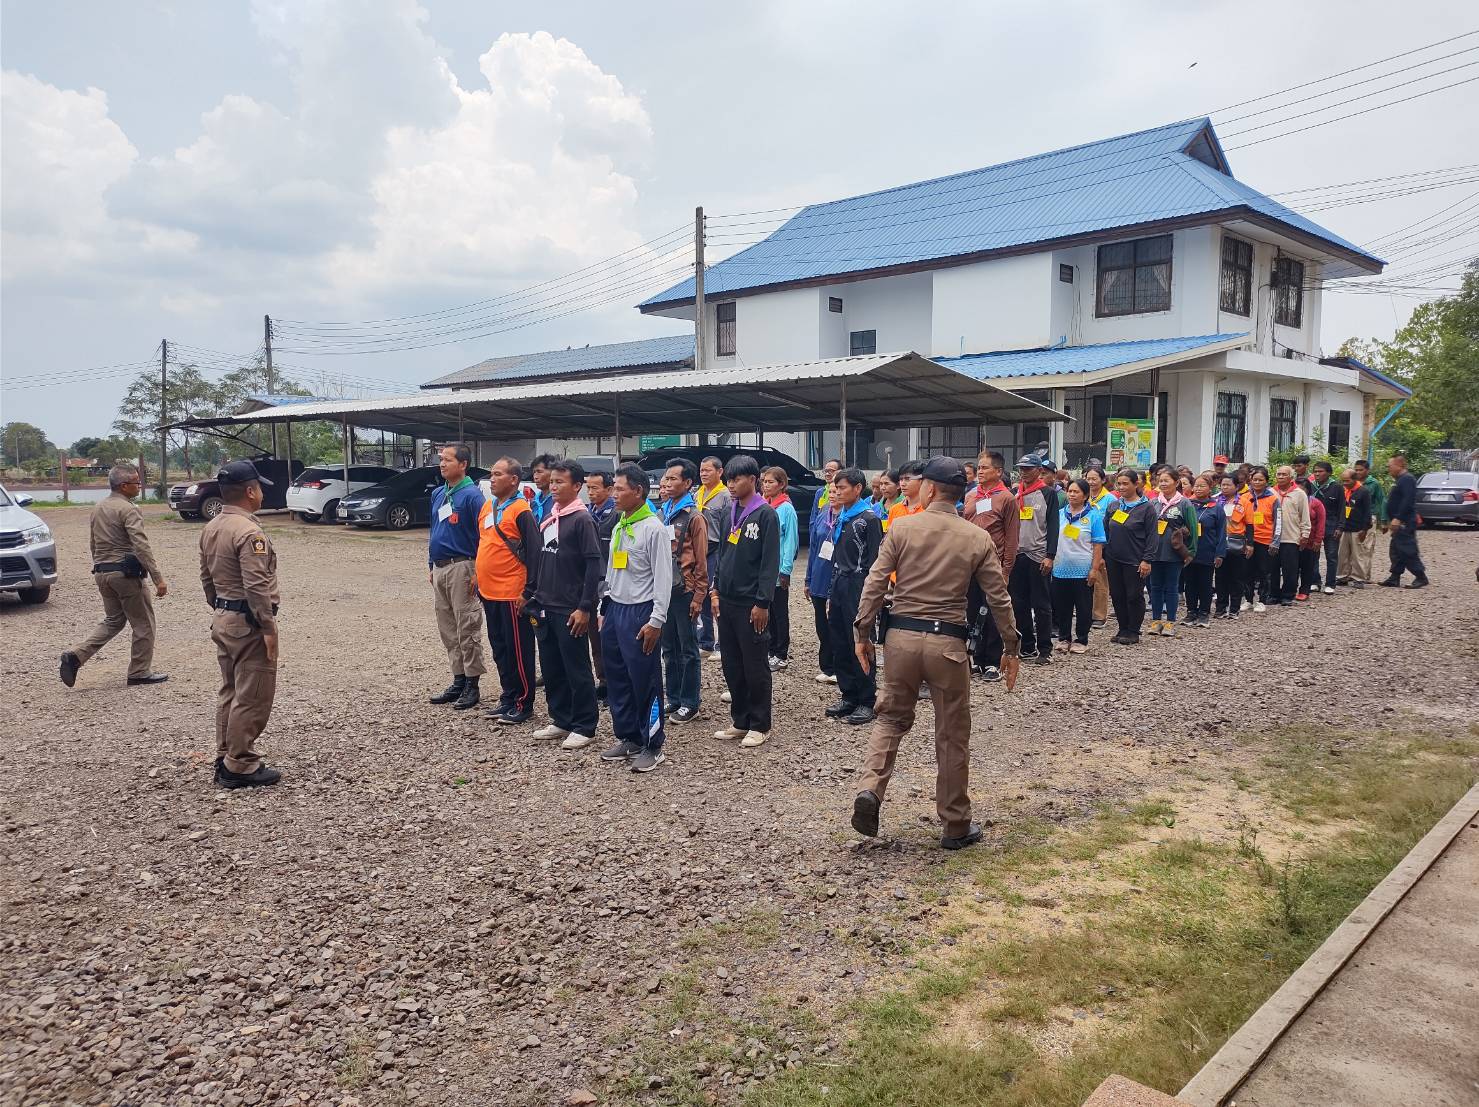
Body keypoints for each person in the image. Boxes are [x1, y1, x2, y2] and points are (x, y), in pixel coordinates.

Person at [849, 456, 1020, 850]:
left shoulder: (902, 527)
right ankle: (955, 825)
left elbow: (875, 582)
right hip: (949, 646)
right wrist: (1011, 646)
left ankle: (871, 789)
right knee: (952, 734)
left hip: (901, 640)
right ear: (960, 493)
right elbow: (998, 597)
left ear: (928, 489)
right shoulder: (976, 536)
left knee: (890, 719)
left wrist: (862, 632)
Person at [197, 461, 282, 789]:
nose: (262, 493)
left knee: (230, 689)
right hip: (249, 623)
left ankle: (225, 755)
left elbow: (207, 579)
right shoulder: (249, 532)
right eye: (259, 488)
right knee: (253, 694)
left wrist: (222, 609)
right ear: (249, 491)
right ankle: (240, 764)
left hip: (224, 617)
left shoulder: (212, 527)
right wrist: (268, 628)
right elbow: (256, 586)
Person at [60, 463, 169, 689]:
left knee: (114, 620)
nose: (140, 486)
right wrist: (157, 577)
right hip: (125, 575)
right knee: (144, 624)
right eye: (137, 482)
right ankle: (139, 672)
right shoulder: (129, 509)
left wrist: (100, 567)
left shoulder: (98, 508)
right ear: (124, 485)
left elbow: (93, 543)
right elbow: (141, 546)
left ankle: (76, 656)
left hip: (103, 572)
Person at [598, 464, 673, 772]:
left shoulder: (653, 528)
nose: (614, 494)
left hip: (641, 612)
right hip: (616, 609)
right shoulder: (621, 524)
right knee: (617, 677)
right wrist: (605, 608)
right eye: (613, 489)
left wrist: (656, 620)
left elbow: (663, 578)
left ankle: (653, 744)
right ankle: (629, 735)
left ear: (638, 491)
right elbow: (613, 570)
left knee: (645, 680)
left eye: (619, 489)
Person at [527, 459, 604, 749]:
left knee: (576, 667)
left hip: (570, 607)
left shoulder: (582, 519)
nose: (554, 487)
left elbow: (593, 565)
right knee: (552, 665)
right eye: (552, 482)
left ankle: (585, 725)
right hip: (546, 603)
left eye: (560, 482)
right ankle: (561, 718)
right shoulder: (551, 516)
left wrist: (585, 607)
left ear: (577, 486)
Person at [710, 455, 781, 748]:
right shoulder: (729, 512)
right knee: (732, 663)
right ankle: (740, 720)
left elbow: (769, 563)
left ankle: (760, 724)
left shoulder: (766, 515)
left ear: (752, 480)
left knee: (754, 665)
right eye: (728, 479)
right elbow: (723, 554)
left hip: (751, 603)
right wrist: (715, 590)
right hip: (726, 600)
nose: (731, 485)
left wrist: (762, 603)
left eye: (736, 479)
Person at [477, 457, 540, 725]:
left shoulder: (521, 510)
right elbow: (483, 542)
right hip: (489, 591)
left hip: (512, 593)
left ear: (513, 480)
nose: (492, 479)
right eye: (491, 474)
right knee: (500, 648)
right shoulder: (488, 506)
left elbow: (535, 553)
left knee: (518, 651)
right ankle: (508, 696)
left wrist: (528, 591)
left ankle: (523, 702)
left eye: (498, 474)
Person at [427, 444, 488, 710]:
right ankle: (458, 679)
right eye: (441, 459)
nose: (442, 464)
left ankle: (473, 684)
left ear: (463, 465)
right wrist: (431, 564)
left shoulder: (473, 496)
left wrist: (479, 570)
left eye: (448, 460)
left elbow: (485, 536)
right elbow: (434, 530)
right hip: (441, 568)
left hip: (463, 566)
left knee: (467, 626)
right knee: (448, 627)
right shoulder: (439, 493)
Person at [824, 468, 884, 725]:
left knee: (860, 639)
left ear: (858, 488)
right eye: (835, 488)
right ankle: (848, 694)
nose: (837, 492)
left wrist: (872, 596)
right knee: (839, 640)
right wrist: (830, 592)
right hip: (840, 582)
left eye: (843, 488)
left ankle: (867, 699)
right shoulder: (843, 516)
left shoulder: (868, 519)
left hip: (859, 584)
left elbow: (875, 561)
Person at [659, 459, 708, 723]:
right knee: (669, 647)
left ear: (688, 483)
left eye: (673, 479)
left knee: (688, 648)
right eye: (666, 478)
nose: (667, 483)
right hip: (665, 589)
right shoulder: (663, 511)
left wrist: (699, 596)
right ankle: (674, 697)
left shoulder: (694, 517)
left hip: (685, 590)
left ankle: (690, 702)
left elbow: (701, 560)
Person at [965, 450, 1018, 681]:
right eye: (979, 467)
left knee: (994, 612)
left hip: (993, 564)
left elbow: (1012, 537)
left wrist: (1006, 570)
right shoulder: (971, 496)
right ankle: (976, 658)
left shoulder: (1006, 498)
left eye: (985, 467)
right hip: (970, 563)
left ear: (998, 471)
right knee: (972, 610)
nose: (980, 471)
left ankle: (993, 661)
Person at [1007, 454, 1057, 664]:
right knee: (1018, 603)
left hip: (1038, 555)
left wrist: (1050, 555)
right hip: (1017, 554)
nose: (1024, 472)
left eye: (1028, 468)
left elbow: (1053, 525)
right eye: (1021, 468)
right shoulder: (1014, 494)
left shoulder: (1048, 493)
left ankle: (1045, 648)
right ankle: (1027, 645)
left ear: (1039, 470)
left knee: (1041, 604)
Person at [1050, 478, 1104, 653]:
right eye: (1070, 491)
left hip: (1082, 570)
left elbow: (1098, 545)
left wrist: (1094, 569)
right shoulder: (1059, 514)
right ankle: (1064, 637)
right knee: (1062, 607)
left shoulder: (1093, 516)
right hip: (1060, 569)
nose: (1072, 495)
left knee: (1083, 608)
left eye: (1076, 492)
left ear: (1085, 495)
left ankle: (1081, 639)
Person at [1103, 469, 1156, 645]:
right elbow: (1105, 530)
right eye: (1119, 483)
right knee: (1117, 594)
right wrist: (1103, 554)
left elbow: (1152, 536)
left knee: (1134, 595)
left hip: (1135, 558)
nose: (1121, 487)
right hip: (1113, 557)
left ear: (1136, 484)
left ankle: (1133, 630)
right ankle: (1122, 628)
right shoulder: (1114, 506)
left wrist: (1147, 559)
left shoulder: (1147, 508)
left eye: (1126, 483)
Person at [1148, 467, 1197, 636]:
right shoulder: (1154, 503)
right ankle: (1156, 621)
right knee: (1155, 587)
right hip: (1155, 551)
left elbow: (1193, 528)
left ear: (1176, 483)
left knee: (1171, 587)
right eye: (1160, 480)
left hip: (1174, 552)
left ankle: (1170, 622)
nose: (1163, 484)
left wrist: (1191, 552)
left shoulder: (1184, 503)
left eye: (1166, 480)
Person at [584, 470, 619, 702]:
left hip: (609, 582)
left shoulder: (615, 514)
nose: (590, 492)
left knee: (609, 635)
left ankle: (615, 682)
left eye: (595, 488)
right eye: (588, 488)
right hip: (591, 582)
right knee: (594, 637)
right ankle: (603, 680)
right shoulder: (587, 513)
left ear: (609, 489)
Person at [761, 466, 799, 672]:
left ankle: (781, 653)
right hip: (764, 569)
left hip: (778, 570)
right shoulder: (764, 505)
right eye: (764, 482)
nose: (766, 485)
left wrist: (786, 569)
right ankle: (770, 648)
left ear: (781, 484)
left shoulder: (786, 509)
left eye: (770, 482)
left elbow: (790, 541)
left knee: (779, 613)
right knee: (766, 611)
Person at [805, 470, 839, 687]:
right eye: (831, 492)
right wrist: (808, 579)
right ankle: (826, 666)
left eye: (837, 491)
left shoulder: (849, 517)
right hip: (819, 575)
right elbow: (813, 548)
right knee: (821, 624)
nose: (833, 495)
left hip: (836, 577)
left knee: (836, 623)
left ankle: (839, 666)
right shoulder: (822, 514)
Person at [695, 456, 730, 660]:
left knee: (716, 594)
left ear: (719, 472)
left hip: (717, 548)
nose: (703, 474)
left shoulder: (725, 495)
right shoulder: (698, 493)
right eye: (701, 470)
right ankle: (706, 642)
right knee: (702, 594)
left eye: (708, 470)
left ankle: (722, 645)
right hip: (700, 550)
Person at [1380, 453, 1428, 588]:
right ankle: (1394, 577)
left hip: (1404, 521)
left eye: (1390, 466)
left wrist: (1398, 518)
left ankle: (1421, 576)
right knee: (1396, 550)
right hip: (1399, 520)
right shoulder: (1401, 480)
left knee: (1407, 549)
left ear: (1400, 465)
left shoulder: (1407, 479)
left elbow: (1408, 500)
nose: (1388, 469)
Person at [1183, 474, 1226, 627]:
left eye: (1202, 486)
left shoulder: (1216, 508)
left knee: (1205, 583)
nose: (1198, 489)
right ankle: (1191, 612)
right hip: (1189, 551)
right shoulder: (1187, 504)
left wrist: (1220, 553)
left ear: (1210, 488)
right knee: (1190, 583)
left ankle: (1203, 613)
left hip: (1207, 550)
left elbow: (1222, 532)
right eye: (1196, 485)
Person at [1270, 465, 1311, 606]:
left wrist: (1305, 534)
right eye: (1278, 474)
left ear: (1291, 477)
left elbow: (1304, 516)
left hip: (1291, 537)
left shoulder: (1299, 494)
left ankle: (1288, 595)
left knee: (1290, 569)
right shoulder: (1270, 492)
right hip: (1272, 538)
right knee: (1272, 569)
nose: (1280, 477)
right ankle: (1273, 594)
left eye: (1284, 474)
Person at [1240, 467, 1279, 613]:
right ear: (1250, 481)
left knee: (1264, 571)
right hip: (1247, 540)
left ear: (1266, 481)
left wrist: (1275, 541)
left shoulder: (1273, 498)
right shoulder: (1244, 497)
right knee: (1246, 570)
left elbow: (1278, 521)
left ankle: (1262, 600)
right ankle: (1248, 599)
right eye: (1254, 479)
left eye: (1260, 480)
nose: (1257, 482)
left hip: (1265, 540)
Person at [1084, 465, 1116, 629]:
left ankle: (1099, 615)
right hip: (1083, 544)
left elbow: (1113, 526)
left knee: (1100, 581)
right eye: (1088, 479)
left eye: (1094, 479)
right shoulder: (1084, 496)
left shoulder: (1110, 499)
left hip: (1101, 544)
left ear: (1103, 480)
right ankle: (1085, 612)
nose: (1091, 482)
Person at [1213, 474, 1246, 619]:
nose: (1225, 487)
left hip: (1237, 543)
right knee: (1220, 577)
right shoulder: (1215, 501)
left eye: (1228, 485)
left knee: (1236, 577)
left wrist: (1250, 544)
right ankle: (1220, 608)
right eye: (1223, 485)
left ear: (1236, 486)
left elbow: (1250, 524)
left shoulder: (1244, 502)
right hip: (1219, 543)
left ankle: (1234, 608)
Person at [1310, 460, 1344, 594]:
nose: (1317, 474)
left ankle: (1330, 583)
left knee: (1331, 555)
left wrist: (1340, 527)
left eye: (1320, 471)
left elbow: (1342, 508)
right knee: (1313, 554)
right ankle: (1315, 581)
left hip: (1331, 524)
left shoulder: (1337, 487)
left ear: (1329, 473)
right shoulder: (1311, 486)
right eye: (1315, 471)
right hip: (1315, 525)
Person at [1337, 468, 1375, 587]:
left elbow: (1367, 511)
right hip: (1344, 527)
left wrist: (1365, 529)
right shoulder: (1343, 490)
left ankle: (1359, 578)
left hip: (1357, 528)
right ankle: (1342, 576)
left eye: (1347, 481)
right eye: (1343, 481)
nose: (1344, 483)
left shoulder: (1363, 491)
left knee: (1358, 555)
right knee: (1342, 554)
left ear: (1354, 479)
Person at [1353, 457, 1387, 574]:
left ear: (1367, 470)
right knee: (1354, 546)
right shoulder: (1351, 482)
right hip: (1353, 518)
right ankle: (1352, 574)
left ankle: (1364, 575)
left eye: (1361, 470)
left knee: (1367, 546)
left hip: (1369, 517)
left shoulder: (1374, 484)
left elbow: (1382, 501)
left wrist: (1383, 520)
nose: (1358, 472)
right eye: (1356, 470)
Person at [1297, 481, 1326, 601]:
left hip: (1310, 541)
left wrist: (1318, 540)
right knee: (1292, 567)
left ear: (1307, 490)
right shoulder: (1290, 501)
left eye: (1301, 489)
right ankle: (1290, 589)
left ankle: (1304, 590)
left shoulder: (1316, 503)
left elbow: (1321, 523)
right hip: (1293, 540)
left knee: (1307, 567)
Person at [529, 453, 559, 522]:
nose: (535, 477)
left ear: (553, 472)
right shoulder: (534, 501)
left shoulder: (559, 500)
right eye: (534, 472)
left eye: (539, 472)